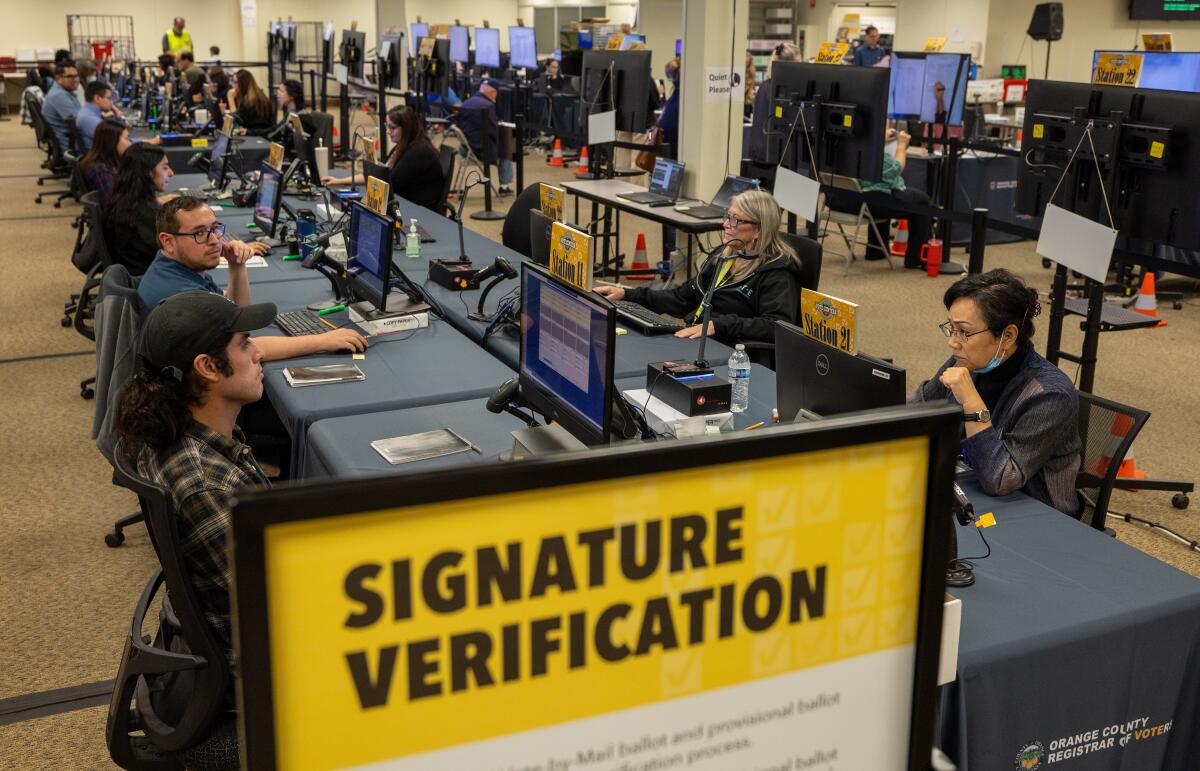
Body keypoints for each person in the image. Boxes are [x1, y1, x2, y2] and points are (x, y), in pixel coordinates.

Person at [114, 290, 277, 769]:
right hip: (253, 682)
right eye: (245, 345)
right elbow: (282, 611)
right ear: (207, 368)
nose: (259, 352)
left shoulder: (187, 435)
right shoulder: (207, 484)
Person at [910, 269, 1081, 517]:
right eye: (952, 328)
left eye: (964, 332)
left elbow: (999, 478)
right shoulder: (968, 361)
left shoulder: (1049, 396)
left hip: (1035, 515)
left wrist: (972, 402)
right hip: (972, 487)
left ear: (1008, 335)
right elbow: (917, 410)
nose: (953, 342)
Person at [138, 197, 366, 358]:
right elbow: (245, 348)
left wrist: (237, 266)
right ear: (168, 241)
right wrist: (322, 341)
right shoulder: (182, 298)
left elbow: (238, 317)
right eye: (199, 233)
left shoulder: (176, 269)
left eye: (215, 228)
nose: (215, 240)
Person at [595, 190, 802, 345]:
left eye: (736, 220)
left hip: (731, 351)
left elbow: (776, 326)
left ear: (758, 229)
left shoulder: (777, 271)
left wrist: (719, 326)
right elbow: (682, 298)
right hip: (697, 335)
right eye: (727, 217)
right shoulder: (724, 255)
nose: (726, 225)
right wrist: (627, 293)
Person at [827, 128, 932, 269]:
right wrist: (901, 146)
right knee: (921, 200)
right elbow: (894, 170)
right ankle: (915, 258)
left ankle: (876, 251)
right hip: (866, 203)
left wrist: (877, 140)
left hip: (839, 201)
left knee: (879, 190)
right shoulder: (874, 154)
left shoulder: (841, 143)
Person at [323, 106, 445, 210]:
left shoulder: (418, 152)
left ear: (406, 128)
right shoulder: (402, 146)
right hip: (404, 202)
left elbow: (388, 183)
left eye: (392, 128)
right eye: (387, 126)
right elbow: (380, 173)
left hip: (418, 211)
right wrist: (339, 181)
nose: (387, 131)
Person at [104, 145, 181, 274]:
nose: (171, 173)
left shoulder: (123, 201)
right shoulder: (145, 215)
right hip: (151, 277)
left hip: (133, 272)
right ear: (148, 173)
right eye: (165, 168)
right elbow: (174, 253)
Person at [456, 79, 513, 196]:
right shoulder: (487, 106)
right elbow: (494, 131)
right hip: (481, 150)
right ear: (492, 92)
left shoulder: (467, 102)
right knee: (507, 149)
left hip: (465, 148)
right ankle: (504, 187)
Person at [747, 43, 800, 165]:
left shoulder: (765, 85)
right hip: (772, 155)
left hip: (759, 152)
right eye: (799, 63)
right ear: (789, 65)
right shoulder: (782, 91)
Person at [80, 119, 132, 204]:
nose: (130, 143)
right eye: (126, 139)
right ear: (113, 142)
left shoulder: (109, 162)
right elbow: (114, 203)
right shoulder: (100, 170)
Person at [41, 61, 81, 154]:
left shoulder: (64, 92)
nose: (76, 80)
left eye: (76, 75)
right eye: (70, 76)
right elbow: (79, 122)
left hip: (71, 140)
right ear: (58, 78)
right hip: (71, 145)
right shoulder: (59, 95)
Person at [77, 81, 125, 152]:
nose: (112, 102)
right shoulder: (90, 119)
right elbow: (117, 140)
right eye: (109, 98)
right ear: (97, 98)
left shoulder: (89, 113)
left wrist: (117, 115)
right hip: (102, 158)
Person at [229, 69, 273, 136]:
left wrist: (230, 99)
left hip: (255, 137)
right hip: (255, 135)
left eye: (236, 82)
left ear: (243, 84)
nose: (233, 86)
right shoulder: (257, 96)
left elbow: (235, 121)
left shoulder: (250, 102)